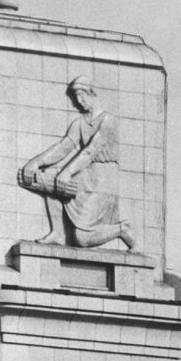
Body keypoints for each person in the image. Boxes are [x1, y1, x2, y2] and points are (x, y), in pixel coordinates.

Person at [18, 76, 135, 250]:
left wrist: (67, 172)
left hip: (103, 180)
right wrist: (36, 163)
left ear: (92, 93)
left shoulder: (108, 120)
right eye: (75, 97)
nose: (78, 102)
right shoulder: (79, 123)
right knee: (49, 179)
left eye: (81, 95)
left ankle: (121, 229)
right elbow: (64, 147)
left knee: (82, 239)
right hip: (85, 175)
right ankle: (58, 233)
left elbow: (90, 151)